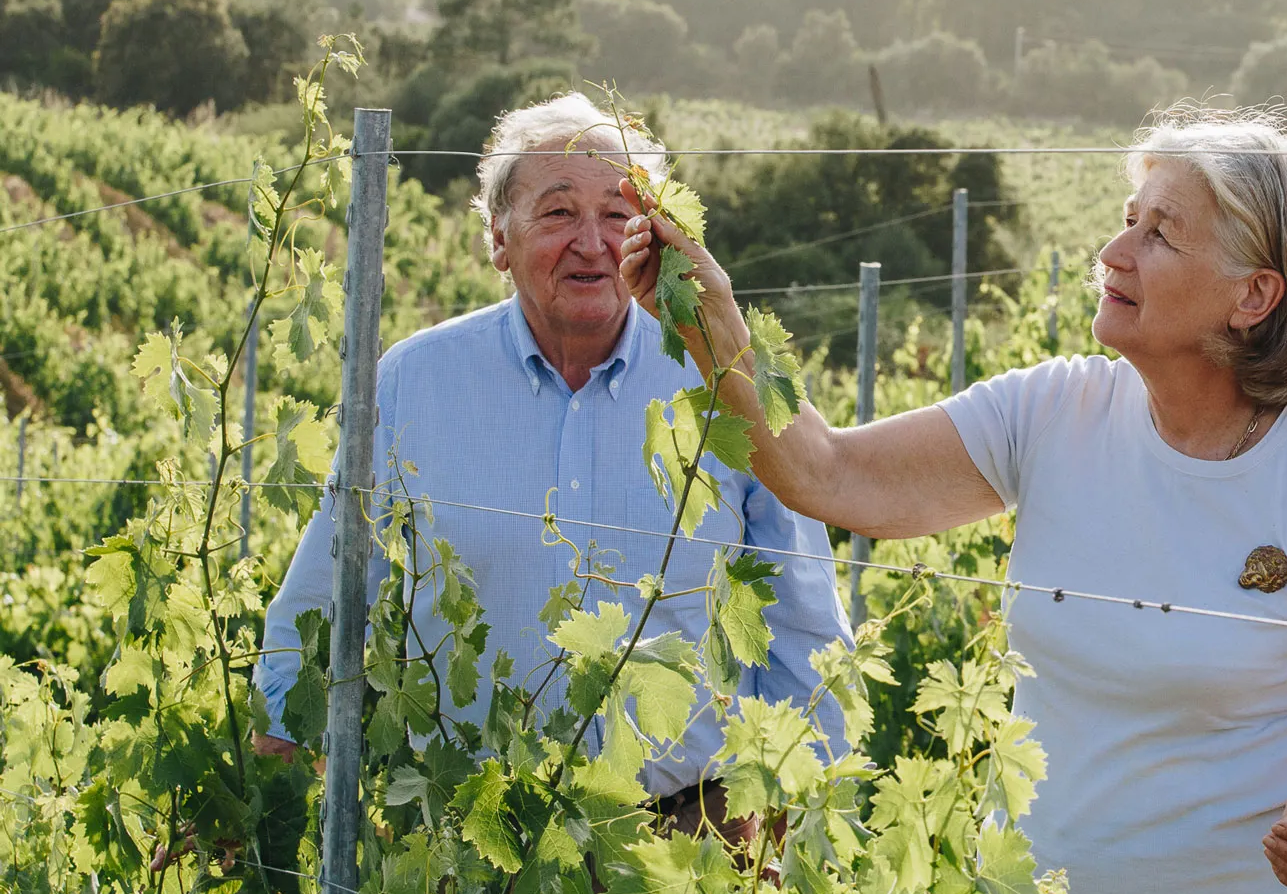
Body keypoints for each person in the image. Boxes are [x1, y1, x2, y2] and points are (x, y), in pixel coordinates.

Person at [617, 104, 1287, 894]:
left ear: (1254, 296)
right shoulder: (1053, 412)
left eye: (1159, 233)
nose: (1114, 250)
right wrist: (710, 314)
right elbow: (827, 473)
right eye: (1130, 217)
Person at [256, 93, 853, 834]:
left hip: (690, 846)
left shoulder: (727, 380)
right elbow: (320, 604)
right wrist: (261, 802)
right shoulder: (412, 384)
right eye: (559, 212)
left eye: (617, 214)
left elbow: (803, 627)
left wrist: (795, 827)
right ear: (498, 238)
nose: (594, 243)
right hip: (467, 848)